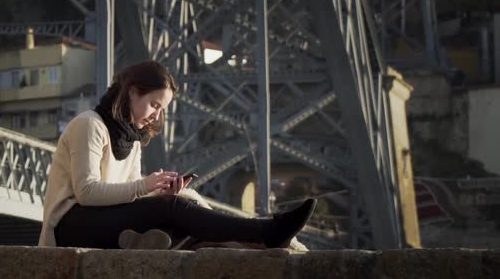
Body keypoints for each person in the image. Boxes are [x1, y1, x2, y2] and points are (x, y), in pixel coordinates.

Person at [38, 60, 317, 249]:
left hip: (103, 221)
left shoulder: (133, 139)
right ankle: (268, 232)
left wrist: (158, 192)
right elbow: (87, 192)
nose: (157, 116)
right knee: (172, 209)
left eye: (162, 110)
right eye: (154, 105)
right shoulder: (89, 125)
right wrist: (145, 186)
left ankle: (141, 241)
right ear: (133, 92)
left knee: (173, 206)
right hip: (69, 227)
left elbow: (127, 196)